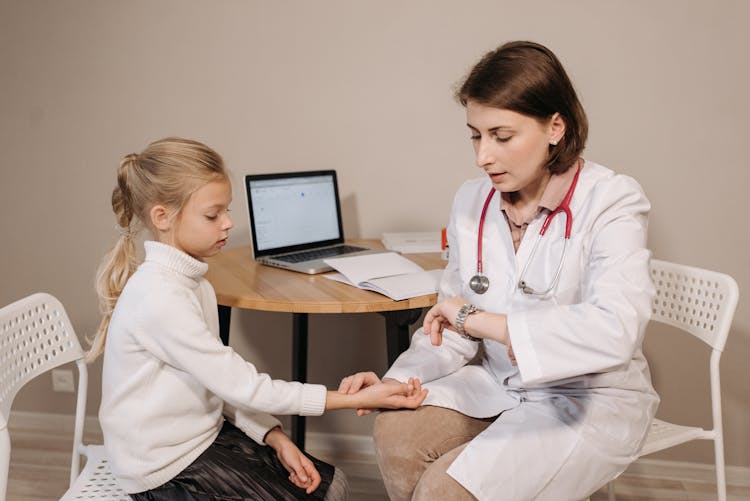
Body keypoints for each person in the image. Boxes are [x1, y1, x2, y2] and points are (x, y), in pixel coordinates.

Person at [339, 41, 659, 500]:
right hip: (498, 383)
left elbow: (615, 327)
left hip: (587, 399)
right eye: (475, 135)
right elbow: (449, 329)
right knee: (396, 432)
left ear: (555, 126)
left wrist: (478, 320)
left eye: (501, 136)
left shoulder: (611, 200)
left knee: (443, 491)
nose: (482, 156)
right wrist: (394, 381)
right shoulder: (472, 201)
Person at [88, 137, 428, 500]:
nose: (229, 224)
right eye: (212, 214)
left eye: (227, 210)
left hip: (202, 435)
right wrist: (351, 399)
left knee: (332, 484)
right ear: (162, 217)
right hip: (163, 467)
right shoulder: (160, 298)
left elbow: (222, 384)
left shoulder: (194, 284)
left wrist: (273, 435)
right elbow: (244, 386)